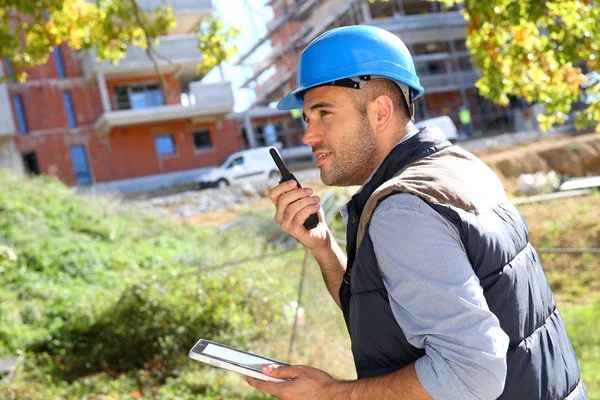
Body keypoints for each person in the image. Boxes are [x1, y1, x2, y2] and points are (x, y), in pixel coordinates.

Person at [246, 25, 588, 400]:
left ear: (380, 112)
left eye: (323, 112)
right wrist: (324, 248)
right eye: (306, 119)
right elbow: (393, 310)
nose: (308, 136)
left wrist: (329, 393)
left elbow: (471, 374)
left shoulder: (403, 209)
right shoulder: (458, 166)